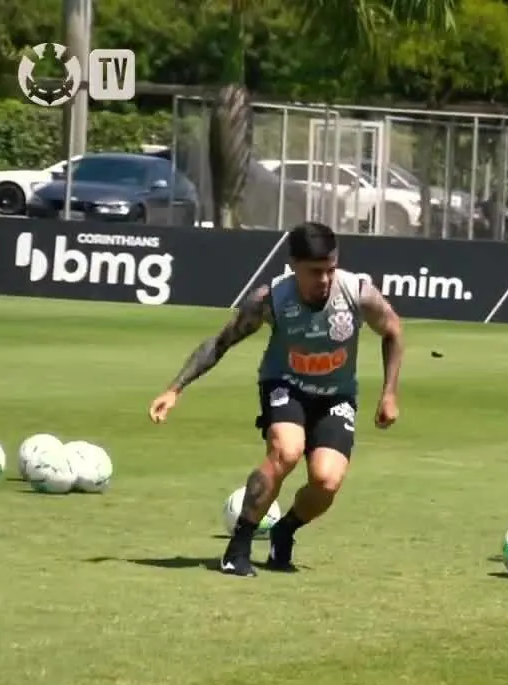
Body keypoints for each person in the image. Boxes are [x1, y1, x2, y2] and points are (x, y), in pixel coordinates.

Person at [147, 222, 404, 577]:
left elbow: (393, 330)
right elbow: (221, 343)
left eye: (330, 269)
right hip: (286, 386)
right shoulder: (270, 300)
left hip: (336, 397)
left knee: (326, 481)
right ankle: (238, 547)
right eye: (315, 272)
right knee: (286, 451)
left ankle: (285, 530)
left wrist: (389, 393)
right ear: (294, 264)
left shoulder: (357, 293)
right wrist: (174, 389)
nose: (325, 279)